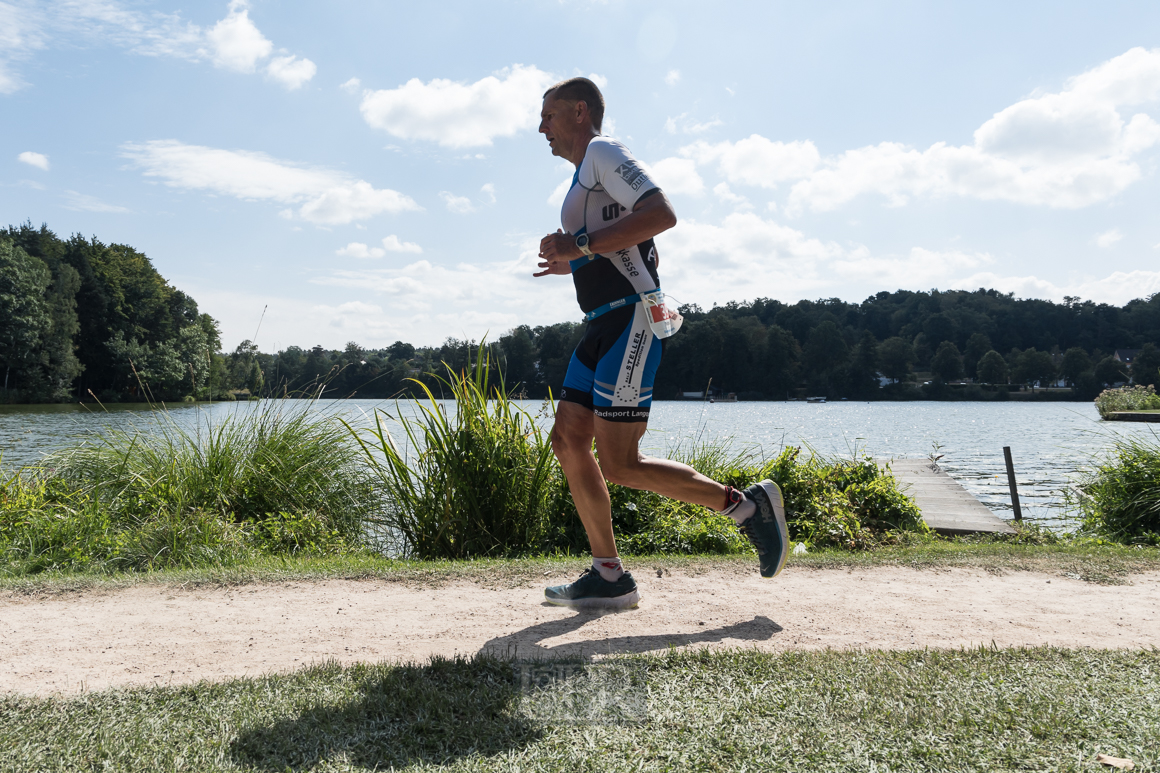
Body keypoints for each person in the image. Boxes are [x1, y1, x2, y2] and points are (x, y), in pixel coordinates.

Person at [534, 77, 789, 609]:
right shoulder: (583, 179)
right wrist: (571, 261)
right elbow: (613, 242)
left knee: (622, 464)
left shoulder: (604, 152)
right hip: (599, 324)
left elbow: (661, 215)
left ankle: (747, 509)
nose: (543, 129)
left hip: (633, 321)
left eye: (550, 116)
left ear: (580, 112)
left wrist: (577, 244)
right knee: (567, 440)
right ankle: (609, 575)